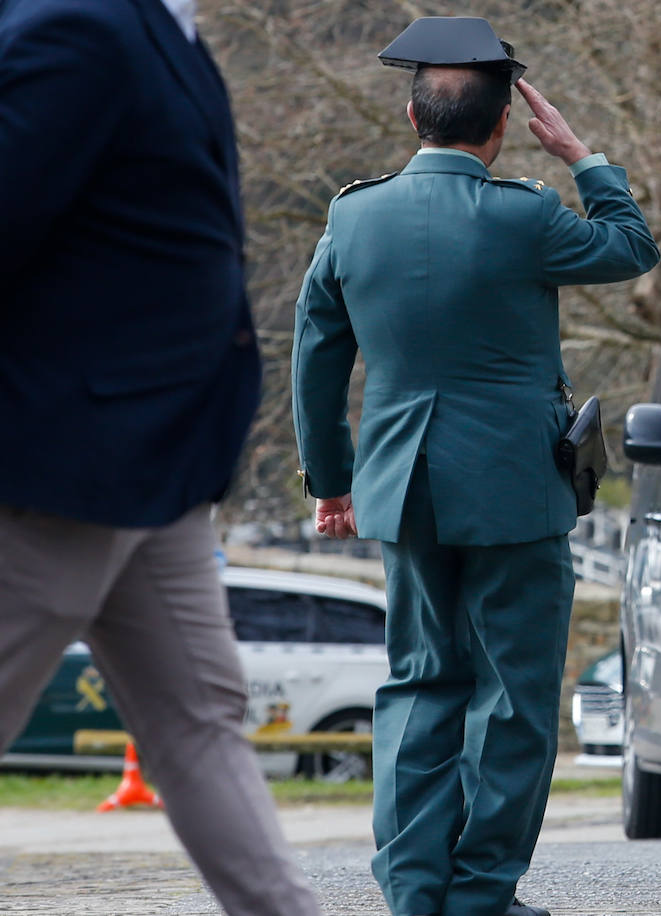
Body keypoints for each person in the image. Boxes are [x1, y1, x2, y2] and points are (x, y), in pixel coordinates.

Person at [291, 17, 659, 916]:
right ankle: (481, 890)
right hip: (512, 492)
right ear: (500, 129)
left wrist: (331, 480)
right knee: (513, 697)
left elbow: (316, 356)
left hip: (401, 486)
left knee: (417, 685)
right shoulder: (528, 215)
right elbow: (632, 246)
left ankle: (414, 892)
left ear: (414, 121)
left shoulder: (352, 212)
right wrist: (582, 155)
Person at [0, 2, 322, 915]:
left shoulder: (156, 29)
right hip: (63, 465)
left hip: (159, 465)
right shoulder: (81, 28)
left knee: (201, 721)